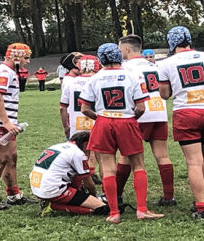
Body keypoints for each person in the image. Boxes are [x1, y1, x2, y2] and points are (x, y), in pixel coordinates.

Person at [79, 43, 164, 223]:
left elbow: (85, 108)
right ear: (119, 56)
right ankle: (142, 209)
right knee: (138, 165)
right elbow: (141, 107)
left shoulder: (94, 78)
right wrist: (131, 117)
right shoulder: (132, 76)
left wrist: (100, 118)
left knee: (108, 168)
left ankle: (114, 213)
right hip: (126, 120)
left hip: (103, 121)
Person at [158, 26, 204, 219]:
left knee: (193, 162)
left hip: (186, 112)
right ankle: (202, 197)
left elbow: (165, 94)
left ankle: (201, 205)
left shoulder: (166, 63)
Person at [117, 35, 175, 206]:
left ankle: (116, 194)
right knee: (162, 155)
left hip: (138, 113)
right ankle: (168, 196)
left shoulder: (125, 67)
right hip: (158, 111)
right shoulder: (154, 65)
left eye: (120, 49)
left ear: (127, 49)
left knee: (126, 156)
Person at [0, 43, 36, 209]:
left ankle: (13, 194)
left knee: (11, 156)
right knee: (0, 158)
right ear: (15, 57)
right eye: (25, 58)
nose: (27, 61)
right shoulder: (5, 71)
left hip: (4, 120)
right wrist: (6, 122)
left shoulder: (10, 71)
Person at [30, 132, 111, 217]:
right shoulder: (78, 153)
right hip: (52, 189)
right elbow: (88, 183)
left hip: (36, 186)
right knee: (102, 208)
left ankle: (52, 201)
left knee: (76, 182)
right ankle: (53, 206)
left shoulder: (57, 146)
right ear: (86, 144)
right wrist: (93, 196)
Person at [60, 55, 102, 184]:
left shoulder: (70, 82)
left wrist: (66, 126)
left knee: (77, 154)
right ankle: (98, 178)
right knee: (101, 155)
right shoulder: (99, 80)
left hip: (76, 122)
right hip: (96, 120)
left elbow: (63, 107)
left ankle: (78, 181)